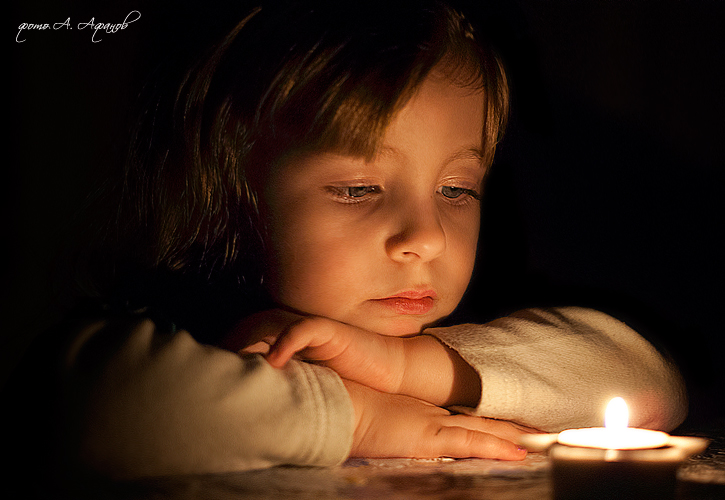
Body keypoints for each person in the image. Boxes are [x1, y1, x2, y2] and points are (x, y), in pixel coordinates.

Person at [6, 0, 686, 485]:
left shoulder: (446, 346)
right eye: (357, 189)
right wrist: (360, 418)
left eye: (455, 190)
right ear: (231, 192)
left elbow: (646, 383)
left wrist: (402, 368)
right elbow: (97, 407)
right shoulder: (198, 342)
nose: (424, 237)